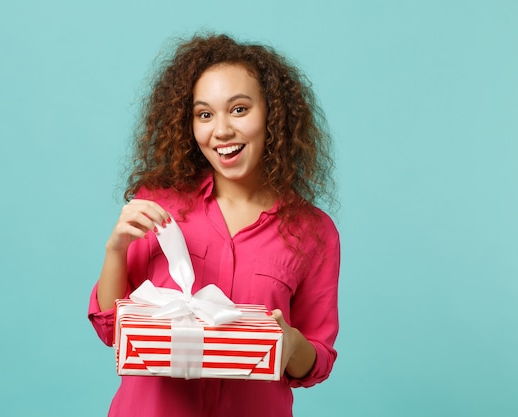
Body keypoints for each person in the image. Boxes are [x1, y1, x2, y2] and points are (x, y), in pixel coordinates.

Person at [88, 33, 340, 417]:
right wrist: (116, 249)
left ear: (273, 114)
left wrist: (290, 344)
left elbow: (316, 361)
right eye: (205, 114)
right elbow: (111, 330)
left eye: (239, 109)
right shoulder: (159, 203)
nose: (221, 130)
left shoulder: (314, 232)